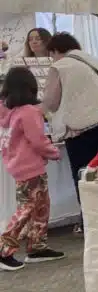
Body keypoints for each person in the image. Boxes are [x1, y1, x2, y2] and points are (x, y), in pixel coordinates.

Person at [0, 67, 64, 270]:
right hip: (31, 166)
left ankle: (37, 246)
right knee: (28, 208)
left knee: (40, 206)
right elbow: (37, 140)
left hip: (18, 165)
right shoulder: (29, 112)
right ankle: (4, 249)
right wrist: (53, 152)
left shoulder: (10, 112)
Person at [42, 33, 98, 194]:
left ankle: (88, 216)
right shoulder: (94, 61)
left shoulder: (60, 66)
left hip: (81, 128)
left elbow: (51, 102)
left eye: (51, 54)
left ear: (55, 51)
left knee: (84, 177)